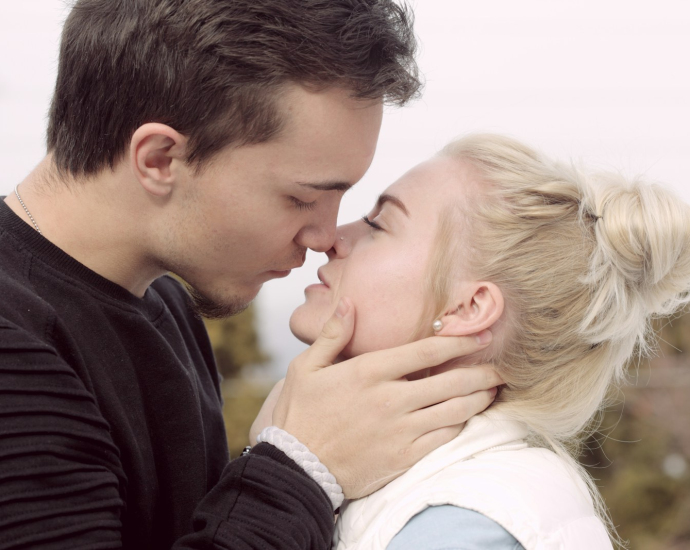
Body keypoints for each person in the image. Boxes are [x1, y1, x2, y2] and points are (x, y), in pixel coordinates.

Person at [0, 1, 504, 549]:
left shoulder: (163, 302)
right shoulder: (15, 345)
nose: (325, 236)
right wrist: (300, 467)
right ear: (161, 159)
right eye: (300, 198)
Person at [289, 133, 690, 549]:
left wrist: (284, 471)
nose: (332, 237)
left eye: (378, 224)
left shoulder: (463, 527)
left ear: (469, 308)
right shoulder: (436, 496)